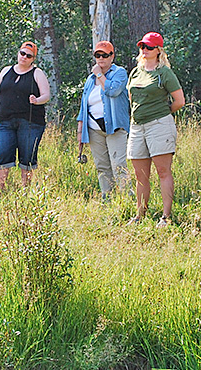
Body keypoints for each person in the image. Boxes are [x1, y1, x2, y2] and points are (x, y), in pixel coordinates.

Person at [126, 32, 185, 227]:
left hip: (159, 125)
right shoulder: (136, 72)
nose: (145, 50)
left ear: (159, 50)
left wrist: (161, 113)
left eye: (149, 47)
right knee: (140, 174)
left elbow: (179, 101)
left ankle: (166, 216)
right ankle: (140, 214)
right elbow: (131, 97)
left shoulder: (164, 73)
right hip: (137, 125)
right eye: (142, 46)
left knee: (162, 171)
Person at [0, 41, 51, 199]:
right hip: (5, 121)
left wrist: (37, 100)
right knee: (3, 156)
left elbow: (46, 95)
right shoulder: (6, 71)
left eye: (29, 56)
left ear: (33, 59)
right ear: (18, 53)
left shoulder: (37, 73)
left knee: (27, 157)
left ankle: (25, 194)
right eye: (23, 53)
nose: (24, 57)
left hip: (30, 122)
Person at [76, 41, 130, 200]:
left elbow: (113, 91)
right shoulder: (89, 79)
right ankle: (108, 198)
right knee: (102, 166)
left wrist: (100, 74)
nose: (101, 58)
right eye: (98, 55)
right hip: (93, 129)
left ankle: (127, 200)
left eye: (105, 55)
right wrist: (80, 133)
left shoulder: (119, 72)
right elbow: (83, 106)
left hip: (114, 126)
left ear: (112, 56)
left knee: (118, 165)